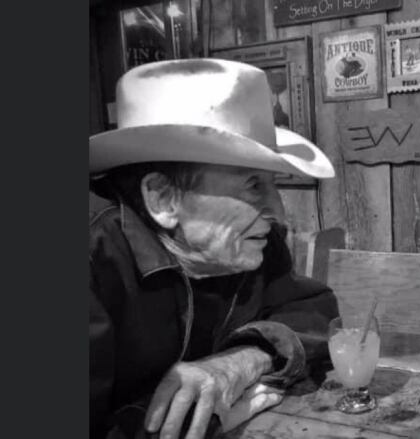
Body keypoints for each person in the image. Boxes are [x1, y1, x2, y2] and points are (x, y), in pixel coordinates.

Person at [89, 58, 339, 439]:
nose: (278, 212)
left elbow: (311, 313)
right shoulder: (91, 256)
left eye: (275, 185)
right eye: (254, 185)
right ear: (162, 198)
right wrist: (200, 419)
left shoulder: (251, 241)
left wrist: (242, 359)